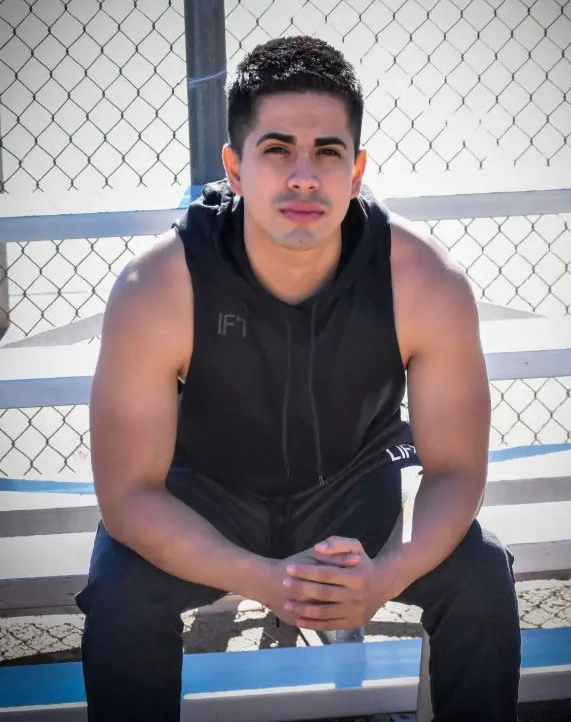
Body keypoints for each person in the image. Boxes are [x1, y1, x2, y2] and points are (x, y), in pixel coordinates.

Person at [76, 36, 520, 722]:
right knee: (121, 598)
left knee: (480, 578)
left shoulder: (421, 282)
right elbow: (129, 495)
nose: (304, 176)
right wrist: (261, 579)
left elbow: (456, 470)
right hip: (204, 499)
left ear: (356, 167)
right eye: (277, 149)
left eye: (328, 152)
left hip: (352, 499)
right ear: (234, 166)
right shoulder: (159, 285)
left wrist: (383, 577)